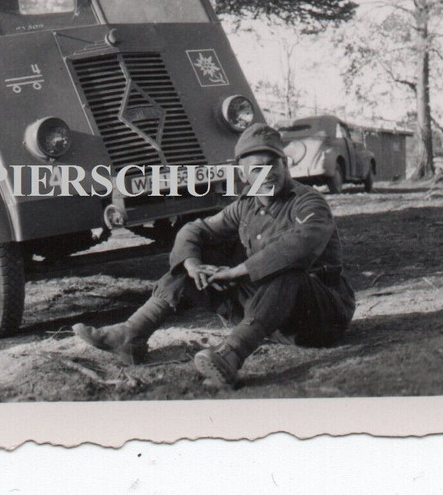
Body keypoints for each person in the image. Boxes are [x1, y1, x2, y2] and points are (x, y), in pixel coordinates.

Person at [73, 123, 356, 388]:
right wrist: (194, 264)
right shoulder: (244, 206)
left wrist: (235, 272)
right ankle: (131, 335)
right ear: (243, 175)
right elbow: (193, 230)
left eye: (273, 164)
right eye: (256, 169)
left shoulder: (308, 202)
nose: (267, 174)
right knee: (194, 260)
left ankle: (231, 356)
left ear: (286, 164)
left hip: (320, 318)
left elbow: (299, 246)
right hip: (271, 318)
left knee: (288, 271)